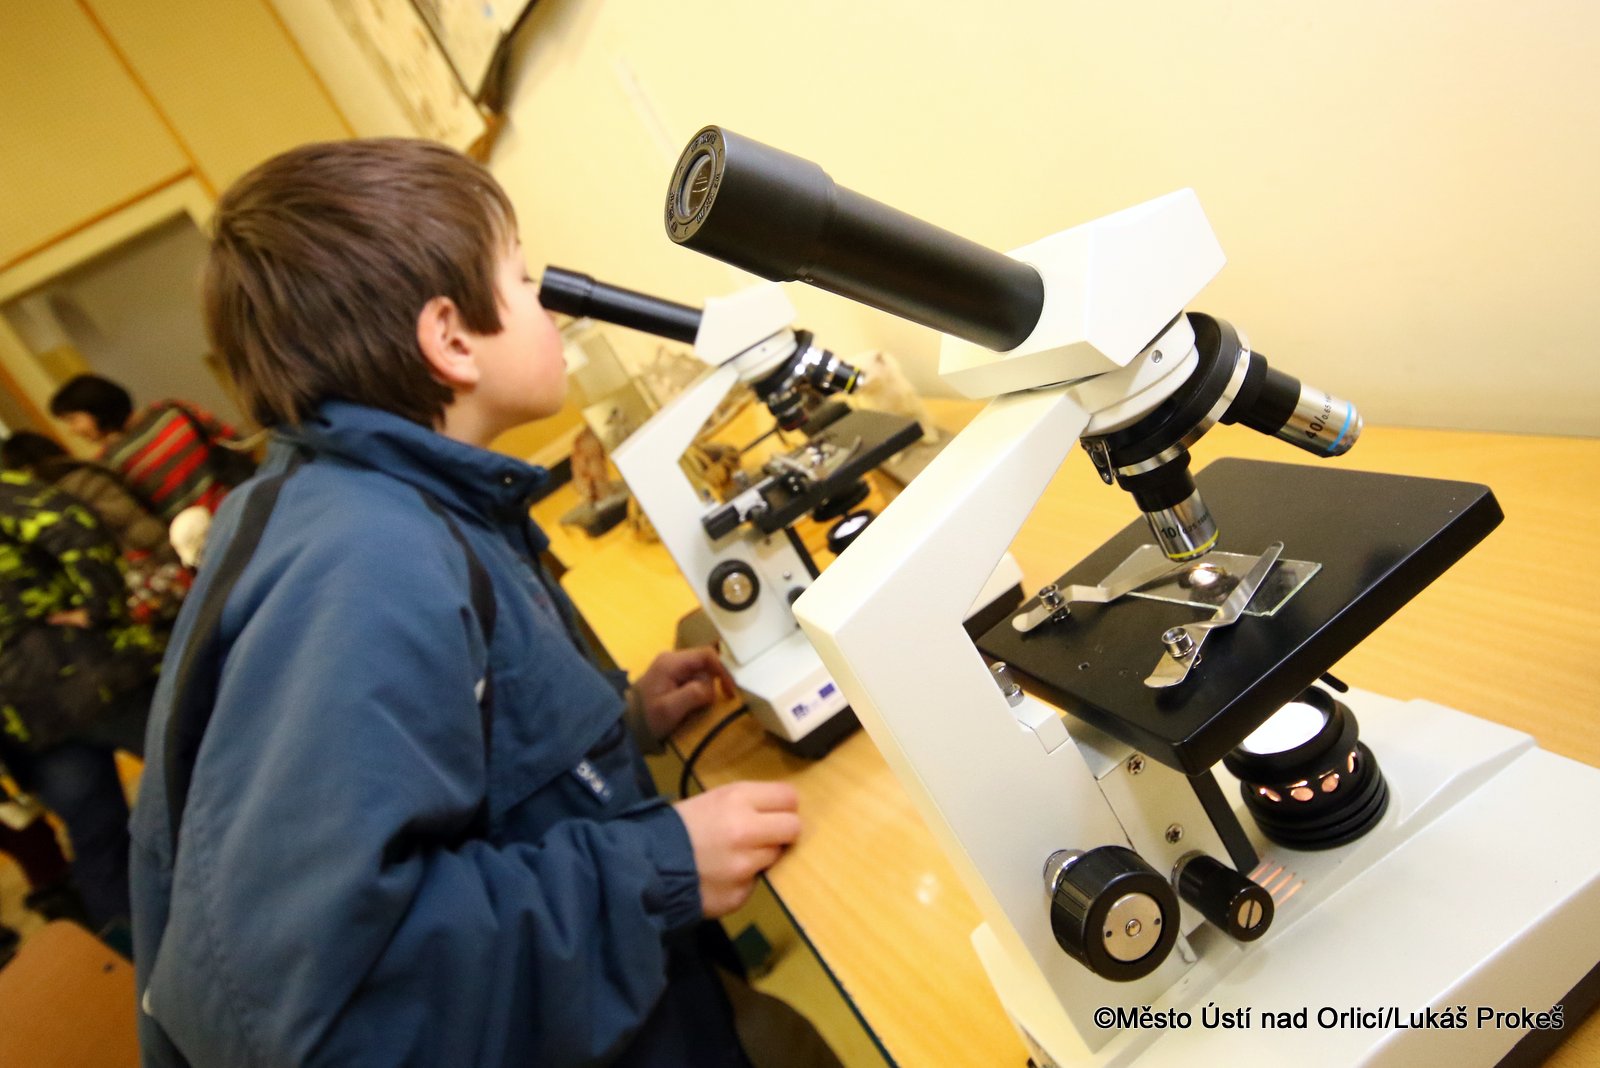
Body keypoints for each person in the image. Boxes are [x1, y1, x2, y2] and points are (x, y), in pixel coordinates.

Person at [131, 139, 820, 1067]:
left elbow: (431, 760)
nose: (547, 302)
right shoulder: (364, 565)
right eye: (523, 278)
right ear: (452, 339)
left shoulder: (373, 499)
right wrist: (651, 869)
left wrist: (611, 731)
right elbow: (333, 1011)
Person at [0, 468, 160, 936]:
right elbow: (70, 523)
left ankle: (132, 957)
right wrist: (99, 605)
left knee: (98, 840)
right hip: (82, 670)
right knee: (208, 771)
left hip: (24, 719)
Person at [1, 430, 191, 626]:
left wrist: (83, 516)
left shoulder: (68, 492)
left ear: (26, 470)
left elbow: (123, 515)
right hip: (157, 558)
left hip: (149, 564)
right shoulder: (83, 476)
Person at [48, 373, 254, 522]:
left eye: (73, 420)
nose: (73, 430)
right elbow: (236, 442)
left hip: (209, 542)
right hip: (249, 504)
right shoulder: (176, 410)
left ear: (95, 407)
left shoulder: (109, 465)